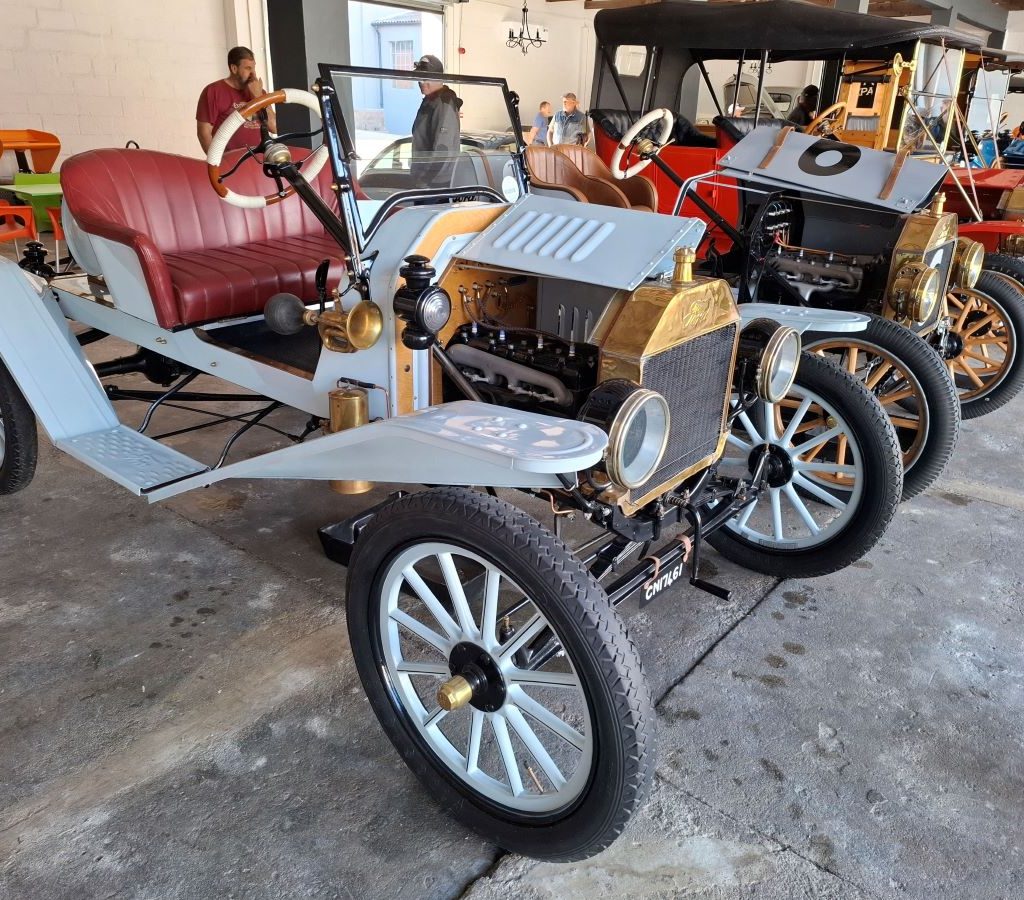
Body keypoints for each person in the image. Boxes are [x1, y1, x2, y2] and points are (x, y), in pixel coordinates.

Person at [196, 46, 276, 154]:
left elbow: (274, 127)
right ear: (234, 69)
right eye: (248, 68)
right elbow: (203, 133)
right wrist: (217, 164)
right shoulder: (213, 91)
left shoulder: (259, 92)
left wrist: (259, 97)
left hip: (258, 161)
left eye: (253, 68)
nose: (253, 74)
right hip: (230, 163)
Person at [411, 54, 463, 189]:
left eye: (425, 78)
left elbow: (442, 150)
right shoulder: (430, 101)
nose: (421, 82)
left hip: (435, 185)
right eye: (419, 78)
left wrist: (425, 182)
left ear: (439, 79)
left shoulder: (443, 104)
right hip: (427, 180)